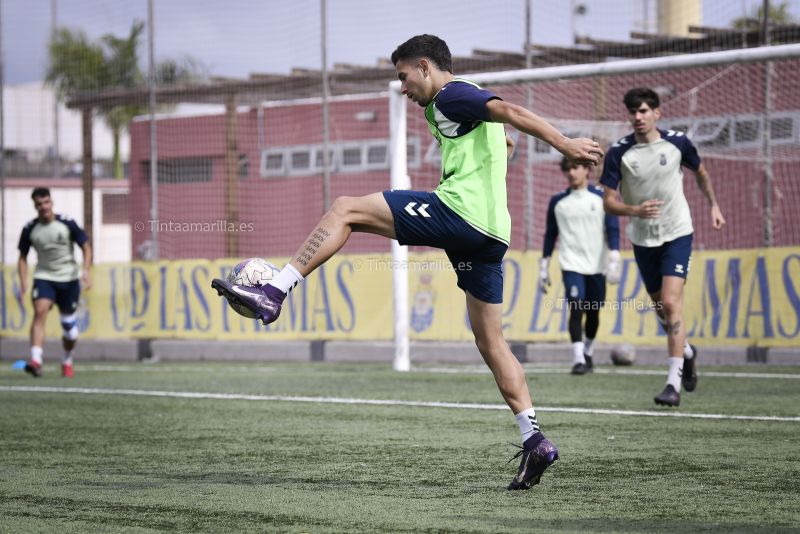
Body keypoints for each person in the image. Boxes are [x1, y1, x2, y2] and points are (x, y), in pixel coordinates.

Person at [212, 34, 603, 490]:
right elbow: (508, 141)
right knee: (491, 341)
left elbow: (512, 113)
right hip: (492, 237)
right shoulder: (458, 107)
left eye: (403, 77)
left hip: (460, 213)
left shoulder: (453, 93)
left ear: (424, 66)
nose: (402, 88)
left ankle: (274, 291)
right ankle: (534, 439)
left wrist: (565, 144)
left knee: (344, 209)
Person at [600, 87, 725, 407]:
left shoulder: (678, 142)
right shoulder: (619, 152)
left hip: (677, 233)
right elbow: (609, 203)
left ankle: (672, 384)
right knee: (661, 310)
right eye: (633, 112)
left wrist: (713, 206)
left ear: (657, 112)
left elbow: (701, 173)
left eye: (644, 111)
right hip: (642, 239)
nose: (638, 117)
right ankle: (687, 351)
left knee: (670, 304)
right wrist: (635, 211)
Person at [540, 157, 620, 375]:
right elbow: (550, 235)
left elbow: (612, 228)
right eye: (567, 169)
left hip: (597, 265)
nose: (571, 173)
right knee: (576, 307)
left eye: (575, 168)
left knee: (593, 312)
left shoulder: (601, 197)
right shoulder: (558, 202)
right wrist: (544, 266)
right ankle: (577, 359)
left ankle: (588, 350)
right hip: (571, 263)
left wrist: (614, 257)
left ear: (587, 170)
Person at [17, 187, 92, 378]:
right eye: (39, 204)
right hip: (44, 277)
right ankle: (36, 360)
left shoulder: (66, 223)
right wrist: (23, 281)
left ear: (52, 202)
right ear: (35, 206)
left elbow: (85, 246)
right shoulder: (30, 228)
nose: (43, 207)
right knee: (40, 312)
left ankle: (67, 359)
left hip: (69, 279)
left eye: (46, 202)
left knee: (70, 329)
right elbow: (22, 257)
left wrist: (86, 271)